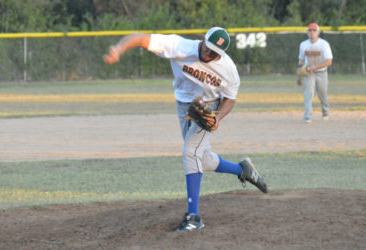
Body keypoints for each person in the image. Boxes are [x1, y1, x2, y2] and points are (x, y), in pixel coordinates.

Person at [103, 27, 268, 232]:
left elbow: (230, 99)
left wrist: (217, 116)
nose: (209, 54)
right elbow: (139, 38)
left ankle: (194, 216)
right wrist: (118, 50)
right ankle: (243, 170)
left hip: (208, 108)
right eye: (207, 49)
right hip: (183, 105)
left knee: (191, 152)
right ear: (202, 40)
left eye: (214, 53)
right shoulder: (179, 46)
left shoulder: (228, 69)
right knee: (202, 159)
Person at [297, 23, 333, 123]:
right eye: (310, 30)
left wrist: (316, 67)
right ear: (307, 32)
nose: (312, 32)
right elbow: (301, 61)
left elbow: (329, 61)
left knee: (322, 94)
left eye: (314, 30)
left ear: (318, 32)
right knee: (309, 93)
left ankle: (325, 111)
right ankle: (307, 115)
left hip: (322, 72)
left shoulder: (324, 44)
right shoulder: (303, 44)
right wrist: (299, 76)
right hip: (309, 72)